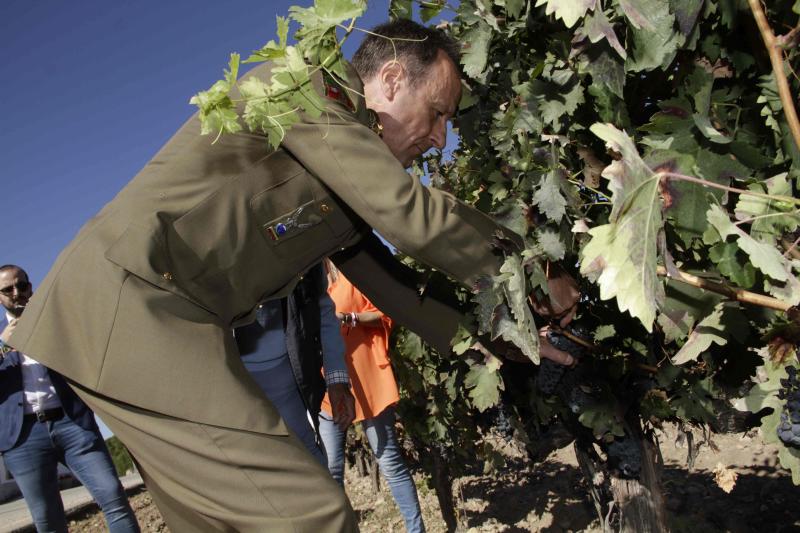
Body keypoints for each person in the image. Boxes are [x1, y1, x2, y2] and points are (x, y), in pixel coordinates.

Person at [8, 19, 578, 532]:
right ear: (393, 79)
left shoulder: (341, 182)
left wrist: (507, 332)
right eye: (438, 115)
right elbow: (410, 215)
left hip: (156, 319)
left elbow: (397, 291)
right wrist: (525, 278)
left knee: (213, 526)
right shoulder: (301, 87)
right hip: (131, 303)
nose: (440, 139)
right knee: (312, 518)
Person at [0, 265, 140, 533]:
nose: (17, 293)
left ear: (31, 287)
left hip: (72, 423)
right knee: (48, 520)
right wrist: (3, 345)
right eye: (8, 289)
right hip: (23, 438)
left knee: (113, 496)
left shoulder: (57, 322)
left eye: (23, 286)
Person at [318, 264, 425, 532]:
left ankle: (416, 530)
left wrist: (348, 318)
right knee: (330, 471)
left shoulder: (354, 273)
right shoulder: (306, 281)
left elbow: (385, 314)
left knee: (389, 462)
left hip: (366, 378)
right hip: (326, 384)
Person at [234, 262, 355, 465]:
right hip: (228, 383)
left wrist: (337, 380)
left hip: (287, 383)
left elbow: (321, 308)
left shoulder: (296, 246)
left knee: (312, 470)